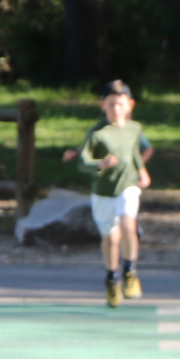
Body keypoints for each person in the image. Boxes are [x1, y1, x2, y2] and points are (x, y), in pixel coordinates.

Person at [62, 79, 153, 309]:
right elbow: (83, 161)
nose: (116, 109)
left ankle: (130, 271)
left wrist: (142, 171)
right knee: (111, 238)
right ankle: (112, 278)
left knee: (128, 225)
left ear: (129, 105)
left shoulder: (135, 129)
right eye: (111, 104)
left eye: (120, 104)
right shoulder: (96, 133)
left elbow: (134, 151)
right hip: (103, 192)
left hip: (128, 186)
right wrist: (100, 164)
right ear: (102, 105)